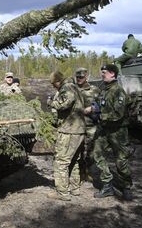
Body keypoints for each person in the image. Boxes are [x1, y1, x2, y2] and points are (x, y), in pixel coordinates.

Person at [85, 64, 133, 200]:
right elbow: (98, 104)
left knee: (121, 161)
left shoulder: (118, 91)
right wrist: (94, 108)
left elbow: (118, 114)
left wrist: (99, 114)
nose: (102, 74)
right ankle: (107, 185)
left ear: (112, 74)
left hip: (118, 131)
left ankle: (126, 187)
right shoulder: (103, 89)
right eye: (102, 72)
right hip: (104, 130)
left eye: (104, 72)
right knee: (97, 155)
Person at [46, 71, 86, 201]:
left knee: (61, 162)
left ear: (57, 81)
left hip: (69, 130)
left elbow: (64, 104)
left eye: (53, 84)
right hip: (78, 130)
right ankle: (75, 189)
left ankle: (62, 193)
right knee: (73, 160)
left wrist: (51, 102)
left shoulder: (67, 88)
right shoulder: (74, 87)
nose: (53, 87)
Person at [74, 67, 101, 185]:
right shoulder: (72, 89)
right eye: (78, 77)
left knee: (91, 152)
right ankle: (79, 174)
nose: (79, 79)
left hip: (91, 125)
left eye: (82, 77)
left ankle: (87, 172)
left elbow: (102, 104)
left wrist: (93, 108)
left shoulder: (95, 90)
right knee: (77, 151)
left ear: (86, 76)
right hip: (76, 126)